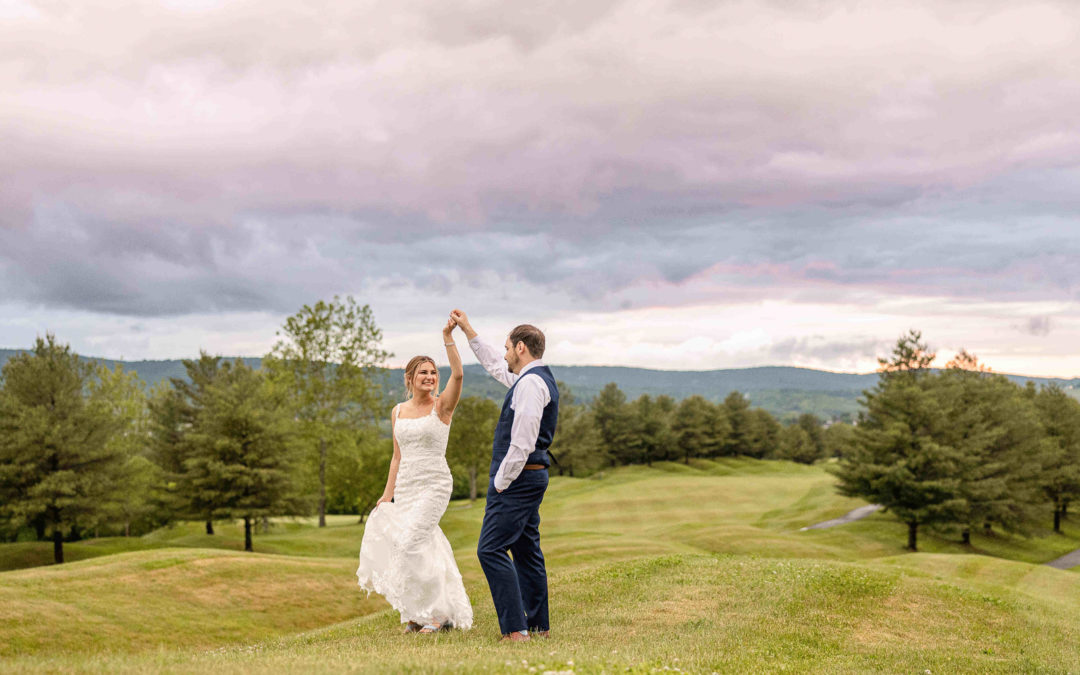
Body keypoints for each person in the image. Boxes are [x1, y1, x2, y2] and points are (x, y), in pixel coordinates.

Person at [355, 319, 473, 633]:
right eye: (423, 372)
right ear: (410, 378)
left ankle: (437, 616)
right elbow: (396, 456)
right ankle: (417, 615)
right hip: (406, 486)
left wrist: (448, 337)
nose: (430, 377)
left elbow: (459, 374)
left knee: (411, 544)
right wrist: (386, 494)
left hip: (434, 483)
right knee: (417, 546)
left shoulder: (442, 407)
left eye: (433, 373)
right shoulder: (397, 411)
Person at [449, 309, 559, 642]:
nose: (506, 353)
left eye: (509, 347)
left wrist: (501, 482)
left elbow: (522, 442)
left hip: (518, 479)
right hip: (530, 477)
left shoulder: (530, 385)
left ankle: (515, 630)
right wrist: (469, 331)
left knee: (490, 549)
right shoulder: (533, 378)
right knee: (526, 551)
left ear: (522, 348)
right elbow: (496, 366)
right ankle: (539, 626)